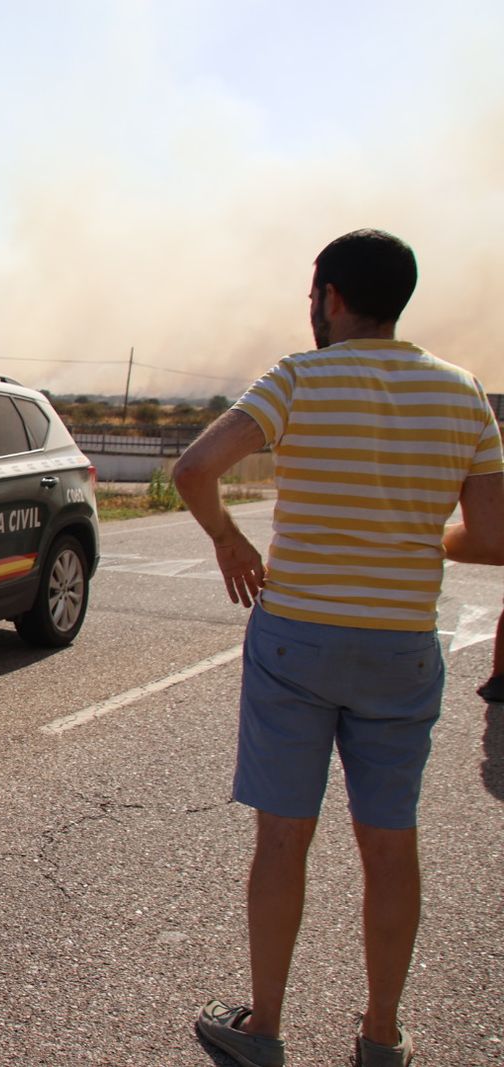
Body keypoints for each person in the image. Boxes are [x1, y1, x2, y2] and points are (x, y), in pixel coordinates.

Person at [173, 229, 504, 1067]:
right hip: (401, 647)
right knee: (390, 843)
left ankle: (264, 1029)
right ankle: (382, 1036)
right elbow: (495, 535)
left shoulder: (298, 377)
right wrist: (418, 537)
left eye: (313, 294)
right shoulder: (464, 392)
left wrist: (228, 539)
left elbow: (195, 468)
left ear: (331, 297)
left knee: (284, 837)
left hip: (296, 639)